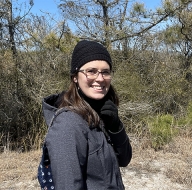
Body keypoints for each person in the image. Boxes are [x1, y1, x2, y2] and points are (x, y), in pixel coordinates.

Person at [42, 40, 132, 189]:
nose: (100, 78)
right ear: (75, 77)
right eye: (91, 71)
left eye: (105, 72)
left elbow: (124, 159)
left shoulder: (99, 112)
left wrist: (115, 127)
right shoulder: (68, 124)